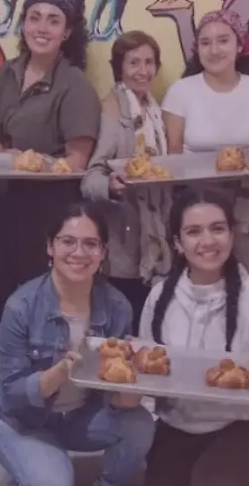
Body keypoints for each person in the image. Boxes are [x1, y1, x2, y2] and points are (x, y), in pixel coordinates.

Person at [0, 0, 102, 392]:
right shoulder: (8, 72)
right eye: (34, 17)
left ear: (68, 32)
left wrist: (23, 162)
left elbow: (77, 162)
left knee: (38, 294)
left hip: (48, 210)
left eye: (54, 20)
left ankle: (40, 381)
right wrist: (2, 157)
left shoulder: (74, 84)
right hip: (2, 202)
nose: (41, 27)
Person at [0, 202, 155, 486]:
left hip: (81, 417)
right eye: (68, 242)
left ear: (102, 253)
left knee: (139, 425)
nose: (79, 253)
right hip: (24, 422)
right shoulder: (21, 306)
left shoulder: (117, 307)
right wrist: (63, 369)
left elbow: (115, 400)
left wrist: (133, 387)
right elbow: (13, 394)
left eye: (91, 244)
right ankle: (34, 464)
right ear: (50, 247)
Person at [139, 188, 249, 486]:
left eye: (218, 229)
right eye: (194, 231)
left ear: (232, 236)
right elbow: (146, 375)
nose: (208, 241)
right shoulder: (159, 297)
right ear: (177, 243)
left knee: (210, 480)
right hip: (179, 423)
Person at [161, 10, 249, 282]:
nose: (214, 49)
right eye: (205, 43)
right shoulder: (181, 91)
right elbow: (173, 155)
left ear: (239, 45)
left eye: (223, 40)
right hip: (196, 202)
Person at [81, 30, 172, 330]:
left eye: (148, 62)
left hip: (154, 233)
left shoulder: (153, 110)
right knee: (124, 324)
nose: (142, 71)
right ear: (119, 68)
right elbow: (91, 175)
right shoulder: (112, 111)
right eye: (133, 63)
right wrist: (110, 185)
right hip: (124, 237)